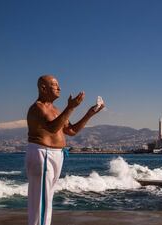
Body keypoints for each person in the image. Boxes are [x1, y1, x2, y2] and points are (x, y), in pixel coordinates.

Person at [26, 75, 105, 225]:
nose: (59, 88)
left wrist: (90, 113)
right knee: (41, 201)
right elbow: (52, 128)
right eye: (55, 85)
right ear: (43, 88)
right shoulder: (37, 108)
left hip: (55, 155)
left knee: (46, 199)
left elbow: (71, 130)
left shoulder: (55, 109)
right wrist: (70, 107)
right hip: (43, 154)